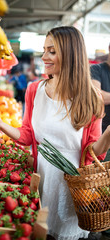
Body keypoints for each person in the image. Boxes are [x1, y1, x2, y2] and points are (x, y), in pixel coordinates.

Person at [0, 26, 110, 240]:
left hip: (71, 191)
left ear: (70, 55)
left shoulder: (91, 98)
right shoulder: (35, 90)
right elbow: (26, 136)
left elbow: (93, 153)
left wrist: (108, 135)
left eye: (52, 51)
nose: (43, 57)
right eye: (44, 50)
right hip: (40, 183)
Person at [90, 44, 110, 239]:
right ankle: (97, 225)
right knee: (99, 186)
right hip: (101, 138)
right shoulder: (96, 69)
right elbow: (97, 97)